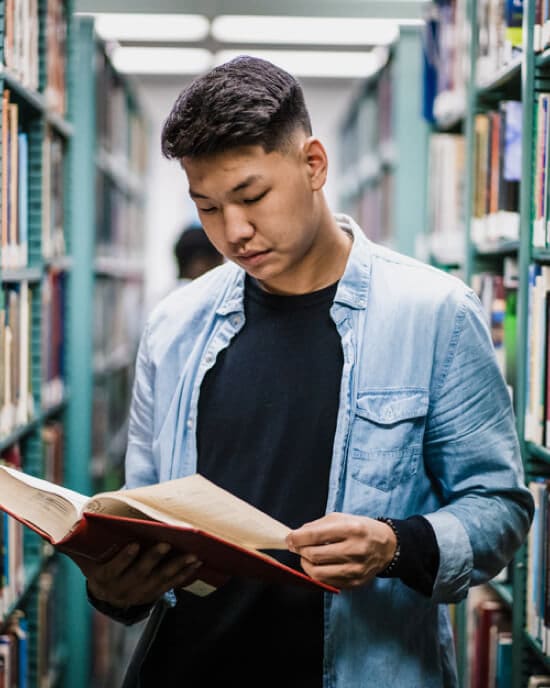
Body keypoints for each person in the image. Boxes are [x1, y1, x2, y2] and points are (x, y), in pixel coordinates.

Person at [81, 55, 533, 687]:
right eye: (207, 208)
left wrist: (396, 545)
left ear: (313, 164)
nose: (234, 232)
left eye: (252, 196)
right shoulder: (174, 325)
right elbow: (144, 516)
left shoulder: (435, 314)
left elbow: (501, 509)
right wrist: (115, 586)